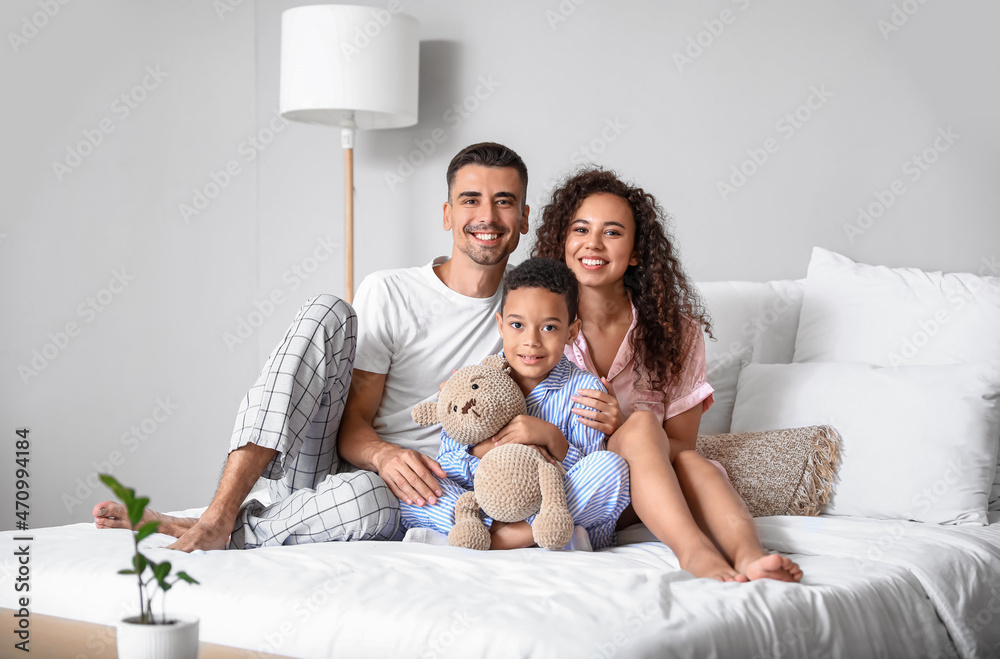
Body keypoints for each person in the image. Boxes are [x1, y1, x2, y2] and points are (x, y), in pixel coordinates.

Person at [93, 142, 532, 551]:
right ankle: (220, 512)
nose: (488, 217)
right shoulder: (391, 290)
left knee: (369, 497)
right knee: (327, 310)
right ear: (447, 214)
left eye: (504, 201)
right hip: (327, 462)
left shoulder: (528, 317)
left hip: (405, 499)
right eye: (471, 199)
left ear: (524, 218)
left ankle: (217, 528)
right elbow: (353, 423)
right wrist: (384, 454)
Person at [533, 168, 803, 582]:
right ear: (562, 242)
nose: (593, 243)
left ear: (636, 251)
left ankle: (750, 556)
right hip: (569, 489)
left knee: (697, 464)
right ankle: (693, 552)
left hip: (645, 488)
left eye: (613, 233)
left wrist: (624, 428)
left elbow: (681, 445)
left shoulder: (677, 333)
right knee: (643, 425)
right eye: (581, 229)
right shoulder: (536, 326)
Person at [400, 257, 631, 550]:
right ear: (501, 325)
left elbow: (587, 467)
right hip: (484, 503)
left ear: (571, 332)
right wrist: (486, 449)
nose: (531, 341)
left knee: (611, 468)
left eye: (548, 328)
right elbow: (448, 463)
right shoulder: (477, 379)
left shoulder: (585, 389)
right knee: (417, 491)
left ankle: (503, 538)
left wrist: (552, 439)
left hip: (552, 505)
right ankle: (499, 531)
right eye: (518, 325)